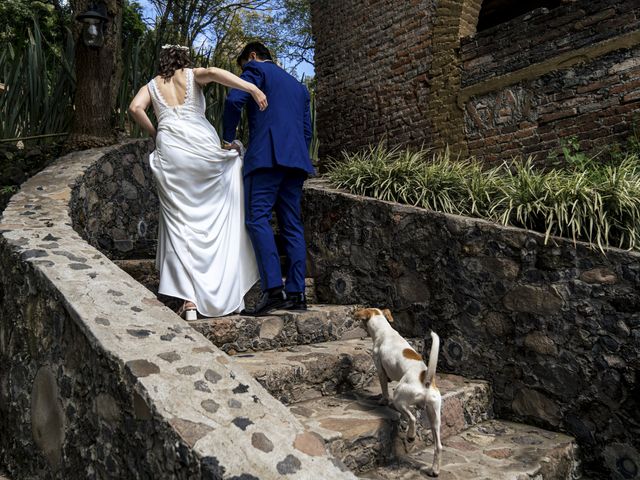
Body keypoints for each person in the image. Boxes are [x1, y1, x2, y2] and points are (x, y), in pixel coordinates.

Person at [128, 44, 266, 319]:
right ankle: (224, 284)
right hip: (200, 145)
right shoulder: (192, 75)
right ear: (184, 59)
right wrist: (252, 88)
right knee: (222, 194)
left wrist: (158, 132)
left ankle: (189, 300)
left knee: (179, 223)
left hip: (171, 150)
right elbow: (214, 72)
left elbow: (134, 108)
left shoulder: (151, 86)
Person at [223, 42, 315, 316]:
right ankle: (297, 294)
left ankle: (273, 289)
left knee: (257, 219)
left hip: (266, 157)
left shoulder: (255, 70)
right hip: (296, 162)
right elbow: (306, 132)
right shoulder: (299, 87)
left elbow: (233, 101)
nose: (243, 71)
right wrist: (296, 153)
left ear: (251, 56)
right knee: (292, 225)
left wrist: (228, 138)